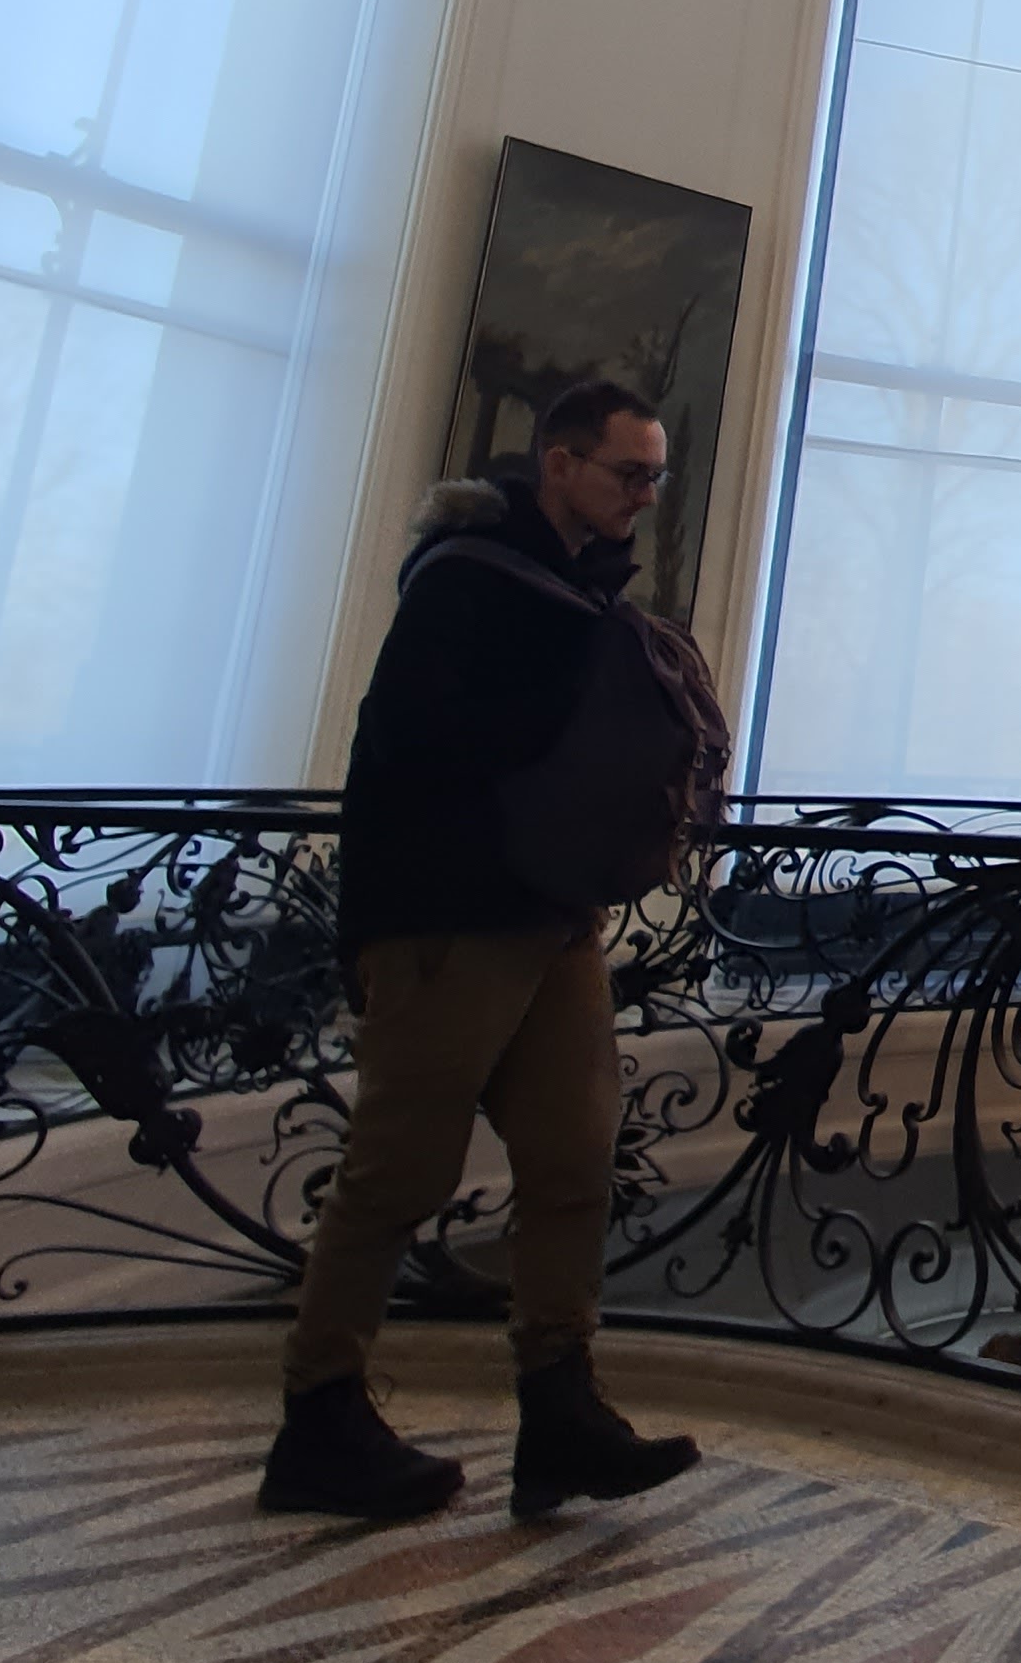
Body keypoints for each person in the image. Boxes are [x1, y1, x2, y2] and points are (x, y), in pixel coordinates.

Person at [259, 376, 719, 1526]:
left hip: (549, 918)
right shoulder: (470, 579)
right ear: (559, 463)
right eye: (629, 473)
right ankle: (319, 1416)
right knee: (400, 1172)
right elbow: (411, 750)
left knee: (573, 1159)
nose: (645, 496)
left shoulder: (575, 591)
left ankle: (560, 1409)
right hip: (448, 916)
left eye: (656, 477)